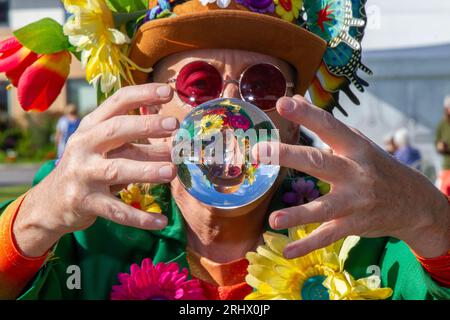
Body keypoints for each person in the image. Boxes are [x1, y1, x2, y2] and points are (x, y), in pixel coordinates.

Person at [0, 0, 448, 300]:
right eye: (199, 84)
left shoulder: (367, 233)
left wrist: (429, 216)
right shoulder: (79, 227)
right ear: (146, 114)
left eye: (262, 85)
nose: (230, 107)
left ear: (292, 123)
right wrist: (35, 218)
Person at [436, 95, 450, 195]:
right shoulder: (442, 125)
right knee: (444, 195)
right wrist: (440, 146)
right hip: (447, 168)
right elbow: (437, 142)